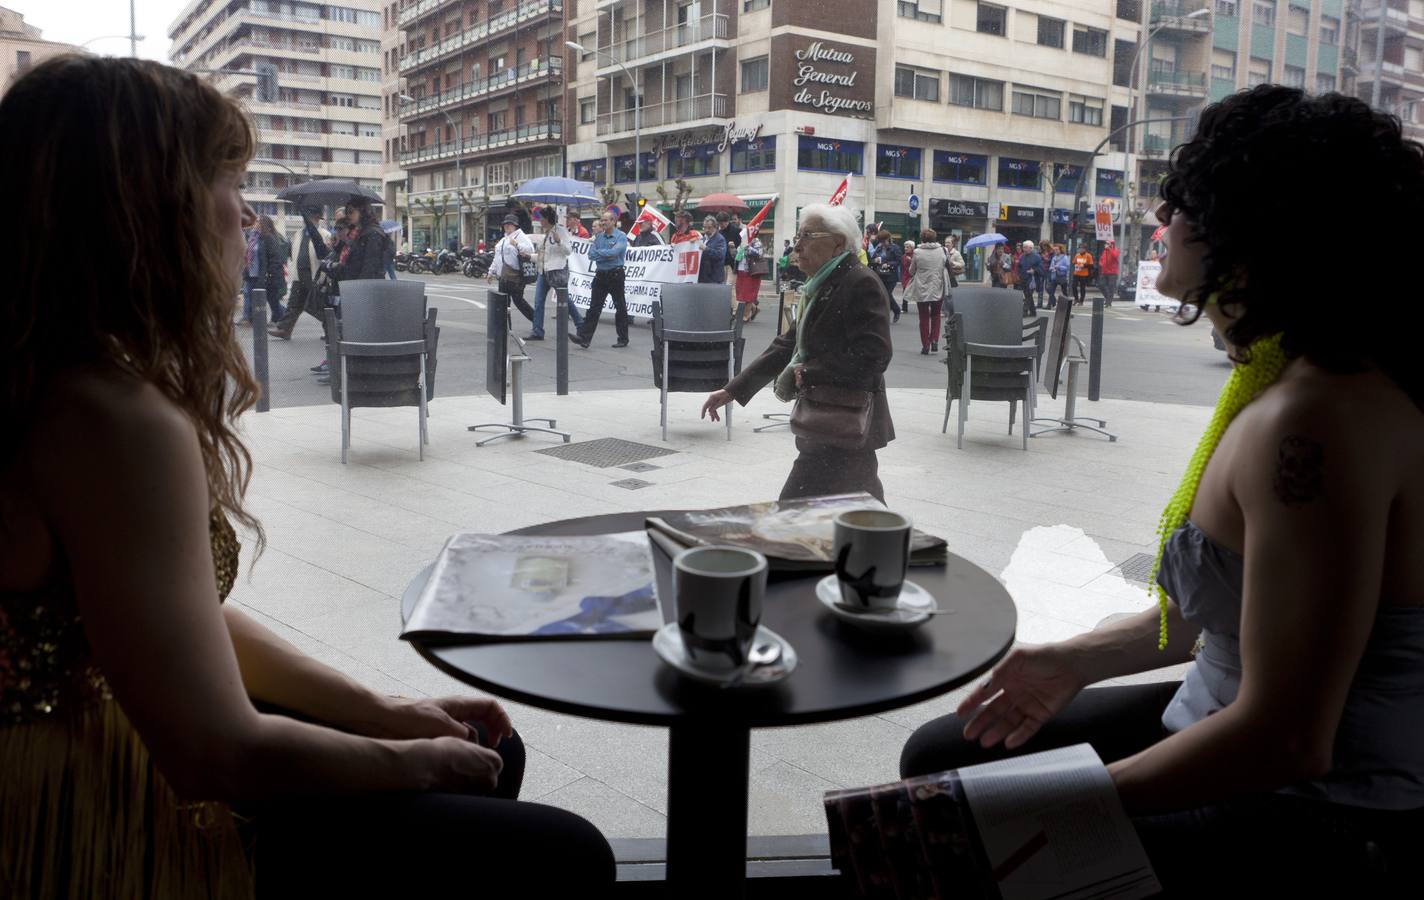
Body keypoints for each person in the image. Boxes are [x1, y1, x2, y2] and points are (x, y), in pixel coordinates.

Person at [0, 55, 614, 898]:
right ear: (147, 213)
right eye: (225, 180)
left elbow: (181, 619)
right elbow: (215, 752)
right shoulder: (113, 420)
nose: (245, 213)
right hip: (87, 789)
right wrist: (410, 761)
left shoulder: (53, 379)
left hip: (108, 731)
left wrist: (386, 712)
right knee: (563, 852)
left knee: (486, 750)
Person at [900, 86, 1424, 895]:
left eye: (1179, 204)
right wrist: (1075, 660)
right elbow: (1232, 614)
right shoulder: (1279, 376)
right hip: (1227, 724)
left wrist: (1065, 808)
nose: (1156, 221)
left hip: (1318, 811)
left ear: (1248, 239)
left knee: (955, 818)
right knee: (945, 755)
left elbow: (1289, 737)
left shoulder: (1316, 423)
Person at [700, 203, 894, 502]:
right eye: (798, 235)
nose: (798, 244)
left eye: (807, 235)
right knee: (858, 512)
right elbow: (787, 345)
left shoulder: (859, 282)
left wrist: (812, 371)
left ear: (837, 244)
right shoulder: (822, 284)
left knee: (798, 509)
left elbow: (875, 356)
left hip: (846, 421)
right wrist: (732, 390)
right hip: (830, 421)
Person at [268, 207, 330, 341]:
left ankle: (332, 329)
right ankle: (285, 329)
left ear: (318, 219)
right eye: (308, 217)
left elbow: (325, 254)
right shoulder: (298, 234)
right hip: (298, 273)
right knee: (294, 303)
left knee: (316, 304)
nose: (309, 220)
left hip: (313, 273)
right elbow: (292, 252)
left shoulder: (324, 234)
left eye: (313, 217)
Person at [574, 209, 629, 349]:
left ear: (613, 221)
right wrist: (605, 254)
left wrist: (601, 253)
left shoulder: (621, 236)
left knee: (620, 307)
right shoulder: (598, 237)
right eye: (602, 220)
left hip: (615, 275)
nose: (603, 222)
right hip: (600, 275)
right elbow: (591, 255)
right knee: (593, 308)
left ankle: (623, 338)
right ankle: (584, 338)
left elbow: (614, 253)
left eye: (606, 220)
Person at [525, 205, 582, 341]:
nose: (540, 221)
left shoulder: (560, 231)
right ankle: (537, 330)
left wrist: (559, 242)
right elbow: (543, 256)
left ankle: (580, 324)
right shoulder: (546, 234)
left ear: (547, 218)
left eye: (542, 218)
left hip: (556, 271)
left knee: (565, 300)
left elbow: (568, 251)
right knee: (538, 301)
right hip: (544, 272)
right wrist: (529, 256)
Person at [329, 198, 391, 285]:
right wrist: (337, 244)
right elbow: (350, 254)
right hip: (352, 284)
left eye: (351, 211)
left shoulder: (372, 233)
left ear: (362, 211)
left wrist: (360, 289)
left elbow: (370, 267)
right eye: (346, 212)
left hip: (365, 287)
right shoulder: (356, 232)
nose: (348, 215)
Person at [905, 228, 947, 355]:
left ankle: (925, 345)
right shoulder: (942, 250)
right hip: (937, 286)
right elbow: (944, 265)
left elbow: (911, 271)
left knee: (923, 317)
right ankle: (934, 339)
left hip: (921, 287)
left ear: (922, 239)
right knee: (936, 315)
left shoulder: (917, 252)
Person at [491, 213, 535, 321]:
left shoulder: (520, 236)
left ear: (515, 226)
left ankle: (536, 320)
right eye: (505, 224)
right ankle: (506, 328)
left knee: (518, 301)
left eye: (509, 224)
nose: (507, 226)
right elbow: (497, 257)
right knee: (504, 303)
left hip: (515, 275)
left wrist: (517, 244)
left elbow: (530, 250)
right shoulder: (504, 239)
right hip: (504, 276)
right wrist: (491, 271)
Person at [256, 214, 288, 322]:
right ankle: (279, 316)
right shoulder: (262, 238)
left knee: (272, 298)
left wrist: (270, 273)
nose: (256, 225)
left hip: (272, 274)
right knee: (271, 298)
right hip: (269, 274)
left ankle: (280, 316)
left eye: (258, 223)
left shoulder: (269, 238)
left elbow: (275, 257)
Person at [870, 230, 903, 323]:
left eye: (883, 240)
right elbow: (872, 259)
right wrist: (875, 260)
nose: (882, 242)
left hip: (891, 275)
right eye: (881, 240)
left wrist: (888, 264)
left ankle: (894, 311)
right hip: (880, 274)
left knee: (887, 294)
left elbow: (898, 261)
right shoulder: (879, 248)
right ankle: (890, 312)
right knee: (883, 294)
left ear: (888, 238)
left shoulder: (895, 248)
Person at [734, 226, 766, 323]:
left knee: (748, 295)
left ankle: (745, 316)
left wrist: (747, 247)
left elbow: (759, 253)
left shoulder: (756, 241)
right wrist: (732, 249)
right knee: (741, 295)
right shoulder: (741, 241)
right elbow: (737, 255)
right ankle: (754, 308)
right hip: (740, 270)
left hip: (751, 271)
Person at [1017, 240, 1044, 316]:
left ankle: (1024, 311)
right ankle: (1033, 311)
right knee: (1027, 295)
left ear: (1031, 248)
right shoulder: (1022, 256)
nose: (1024, 249)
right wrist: (1018, 275)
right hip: (1023, 279)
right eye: (1024, 247)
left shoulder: (1037, 257)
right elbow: (1019, 267)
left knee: (1028, 296)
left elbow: (1041, 269)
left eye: (1026, 247)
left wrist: (1034, 271)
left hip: (1032, 280)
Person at [697, 214, 726, 284]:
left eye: (709, 228)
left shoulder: (720, 239)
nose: (706, 230)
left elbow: (720, 255)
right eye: (704, 227)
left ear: (715, 227)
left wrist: (706, 249)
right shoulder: (703, 238)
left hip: (714, 278)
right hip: (703, 277)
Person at [720, 212, 743, 281]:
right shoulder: (719, 232)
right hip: (722, 263)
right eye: (719, 223)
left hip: (732, 264)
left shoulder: (737, 231)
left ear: (727, 221)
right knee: (723, 286)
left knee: (729, 286)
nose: (721, 225)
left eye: (722, 223)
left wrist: (734, 247)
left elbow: (741, 247)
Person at [1098, 239, 1120, 305]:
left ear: (1111, 244)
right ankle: (1108, 298)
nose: (1106, 245)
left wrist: (1110, 249)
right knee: (1101, 285)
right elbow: (1101, 259)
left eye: (1108, 244)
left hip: (1112, 272)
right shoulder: (1105, 251)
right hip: (1104, 272)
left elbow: (1115, 256)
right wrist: (1101, 264)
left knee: (1111, 286)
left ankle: (1108, 301)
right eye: (1106, 243)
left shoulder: (1115, 250)